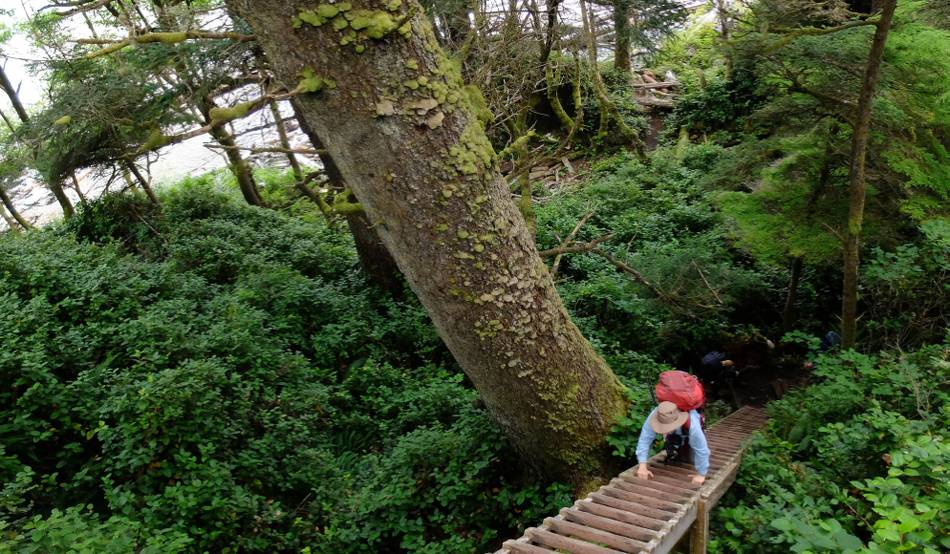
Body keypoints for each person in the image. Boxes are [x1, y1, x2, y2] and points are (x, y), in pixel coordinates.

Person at [635, 401, 710, 485]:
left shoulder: (692, 424)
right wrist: (642, 466)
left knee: (690, 461)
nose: (665, 429)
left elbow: (702, 449)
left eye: (667, 427)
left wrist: (701, 474)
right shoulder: (657, 414)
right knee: (672, 453)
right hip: (675, 434)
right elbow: (644, 440)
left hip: (686, 432)